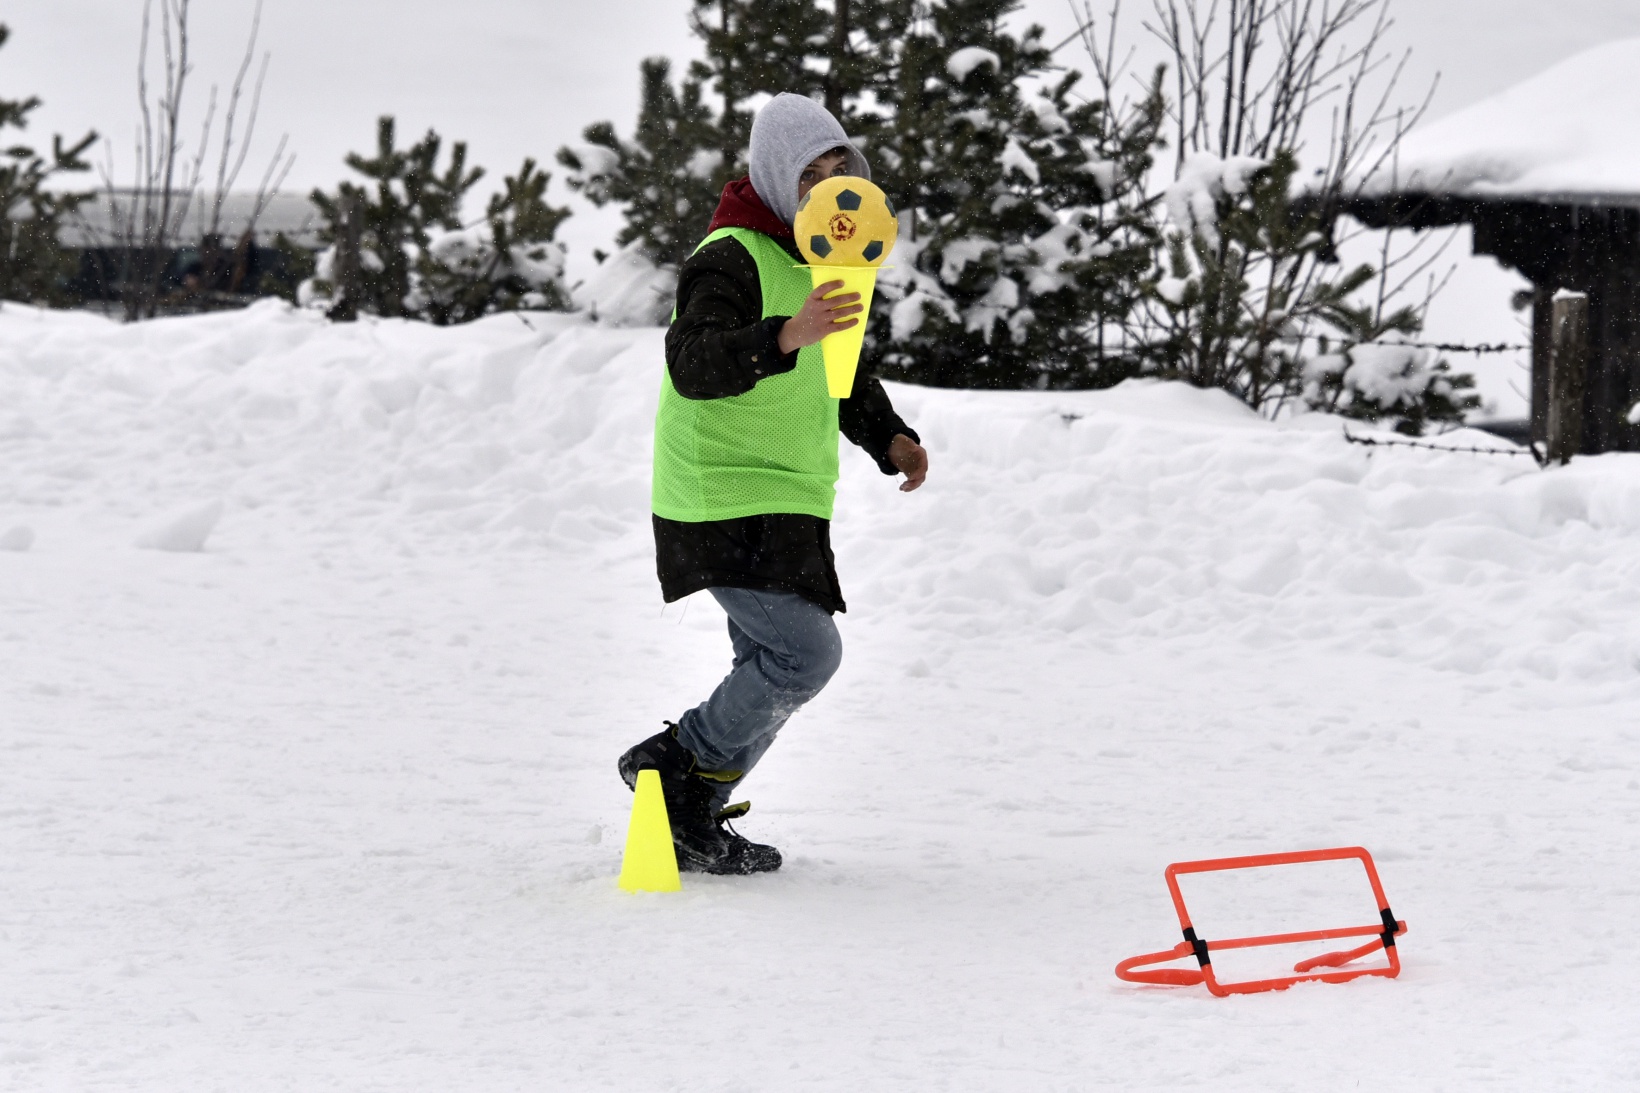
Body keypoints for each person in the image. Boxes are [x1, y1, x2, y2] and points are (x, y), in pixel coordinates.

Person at [618, 93, 929, 875]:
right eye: (808, 175)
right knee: (804, 656)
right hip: (719, 491)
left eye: (838, 170)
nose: (826, 188)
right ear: (774, 179)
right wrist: (786, 333)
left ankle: (690, 813)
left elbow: (840, 366)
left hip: (788, 492)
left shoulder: (828, 258)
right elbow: (691, 362)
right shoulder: (730, 255)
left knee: (767, 662)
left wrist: (888, 437)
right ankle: (671, 761)